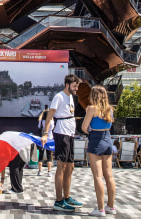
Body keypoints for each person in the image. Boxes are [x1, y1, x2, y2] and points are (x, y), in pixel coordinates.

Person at [41, 74, 83, 212]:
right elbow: (49, 116)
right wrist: (46, 134)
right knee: (61, 166)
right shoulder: (59, 96)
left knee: (70, 167)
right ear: (67, 85)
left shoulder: (70, 96)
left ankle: (67, 197)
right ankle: (59, 201)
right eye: (75, 86)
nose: (76, 89)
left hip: (70, 134)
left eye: (77, 86)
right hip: (62, 133)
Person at [81, 85, 117, 217]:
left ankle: (100, 209)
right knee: (109, 175)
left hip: (96, 140)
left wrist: (90, 128)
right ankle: (111, 206)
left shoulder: (91, 109)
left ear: (93, 96)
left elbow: (84, 127)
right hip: (107, 139)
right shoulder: (110, 109)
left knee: (97, 176)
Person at [37, 105, 54, 177]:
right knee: (49, 156)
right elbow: (53, 125)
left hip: (42, 139)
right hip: (49, 139)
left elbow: (39, 119)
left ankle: (39, 171)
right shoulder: (51, 122)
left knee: (40, 156)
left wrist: (43, 112)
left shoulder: (42, 122)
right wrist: (50, 113)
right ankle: (49, 171)